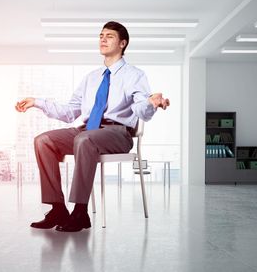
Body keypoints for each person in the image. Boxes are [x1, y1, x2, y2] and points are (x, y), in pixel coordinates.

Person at [15, 21, 170, 232]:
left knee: (84, 139)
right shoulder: (91, 78)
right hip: (87, 131)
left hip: (117, 133)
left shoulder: (135, 75)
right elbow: (70, 112)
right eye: (101, 35)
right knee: (43, 141)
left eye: (110, 36)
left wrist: (152, 103)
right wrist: (38, 102)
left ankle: (80, 212)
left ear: (123, 43)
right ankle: (58, 208)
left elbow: (141, 108)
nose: (103, 39)